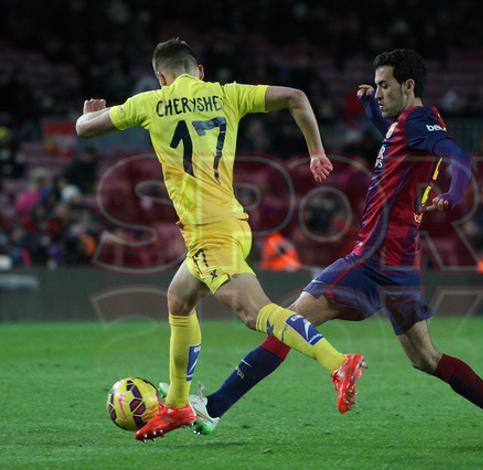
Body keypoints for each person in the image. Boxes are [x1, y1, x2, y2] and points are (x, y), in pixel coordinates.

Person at [170, 49, 483, 438]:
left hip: (371, 257)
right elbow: (398, 145)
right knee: (426, 359)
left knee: (289, 323)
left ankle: (213, 407)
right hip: (402, 262)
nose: (379, 91)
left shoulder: (418, 121)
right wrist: (370, 109)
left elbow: (459, 156)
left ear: (409, 85)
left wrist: (453, 193)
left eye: (385, 85)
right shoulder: (408, 126)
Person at [75, 38, 365, 441]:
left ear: (162, 77)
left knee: (254, 313)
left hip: (209, 232)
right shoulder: (227, 95)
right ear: (201, 72)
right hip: (228, 222)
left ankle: (338, 362)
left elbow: (84, 129)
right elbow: (296, 97)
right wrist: (315, 151)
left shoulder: (149, 102)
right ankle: (177, 404)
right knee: (179, 299)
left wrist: (91, 113)